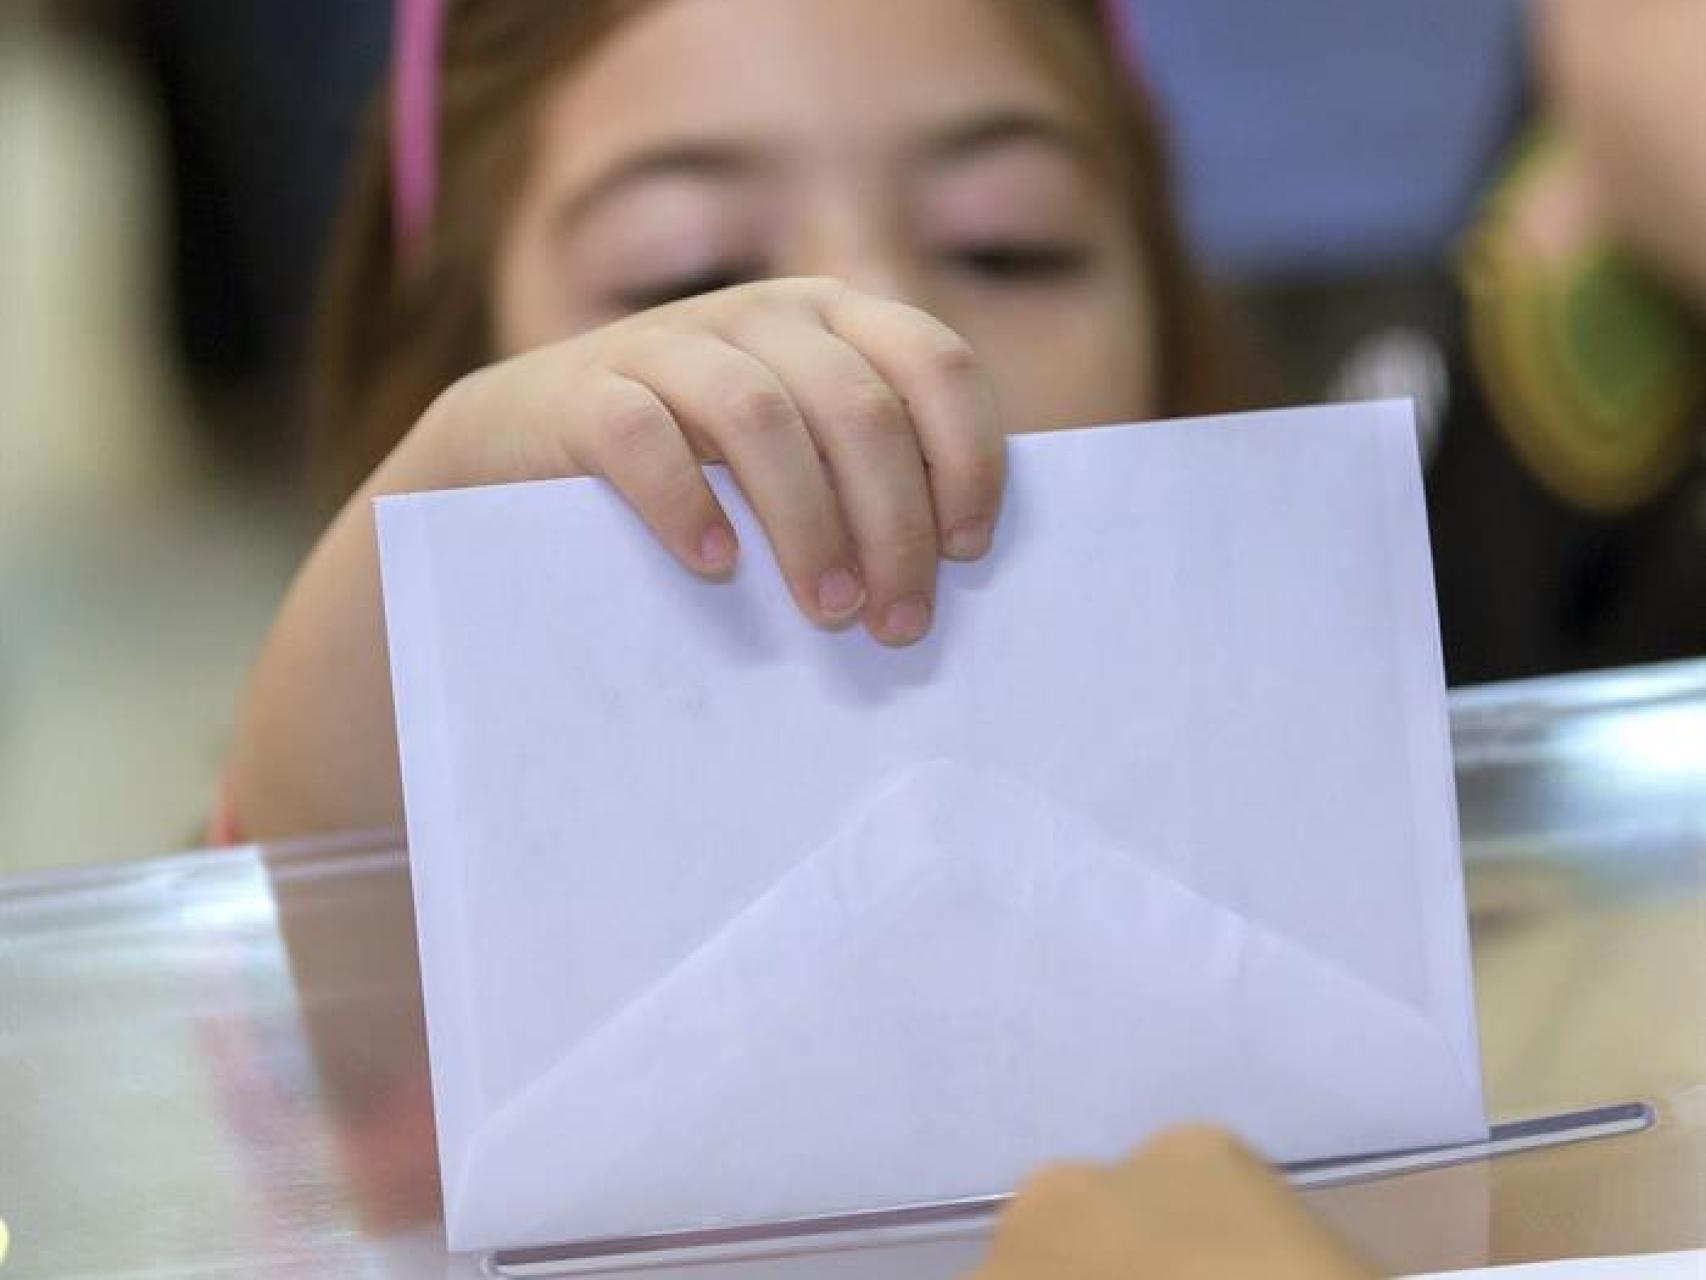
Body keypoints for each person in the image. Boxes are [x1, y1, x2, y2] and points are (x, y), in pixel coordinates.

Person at [230, 0, 1369, 1273]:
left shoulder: (1311, 827)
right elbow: (324, 973)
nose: (873, 346)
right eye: (686, 271)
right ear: (463, 349)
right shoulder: (486, 914)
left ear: (1166, 321)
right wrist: (429, 520)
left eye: (1007, 245)